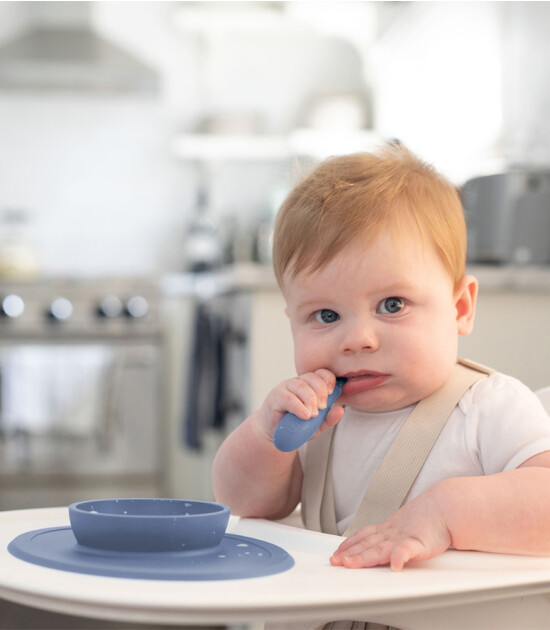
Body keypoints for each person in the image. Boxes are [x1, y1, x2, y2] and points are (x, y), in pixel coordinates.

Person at [212, 145, 550, 577]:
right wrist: (264, 434)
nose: (357, 339)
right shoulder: (314, 420)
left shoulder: (489, 407)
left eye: (392, 304)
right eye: (326, 316)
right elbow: (243, 504)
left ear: (461, 308)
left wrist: (447, 513)